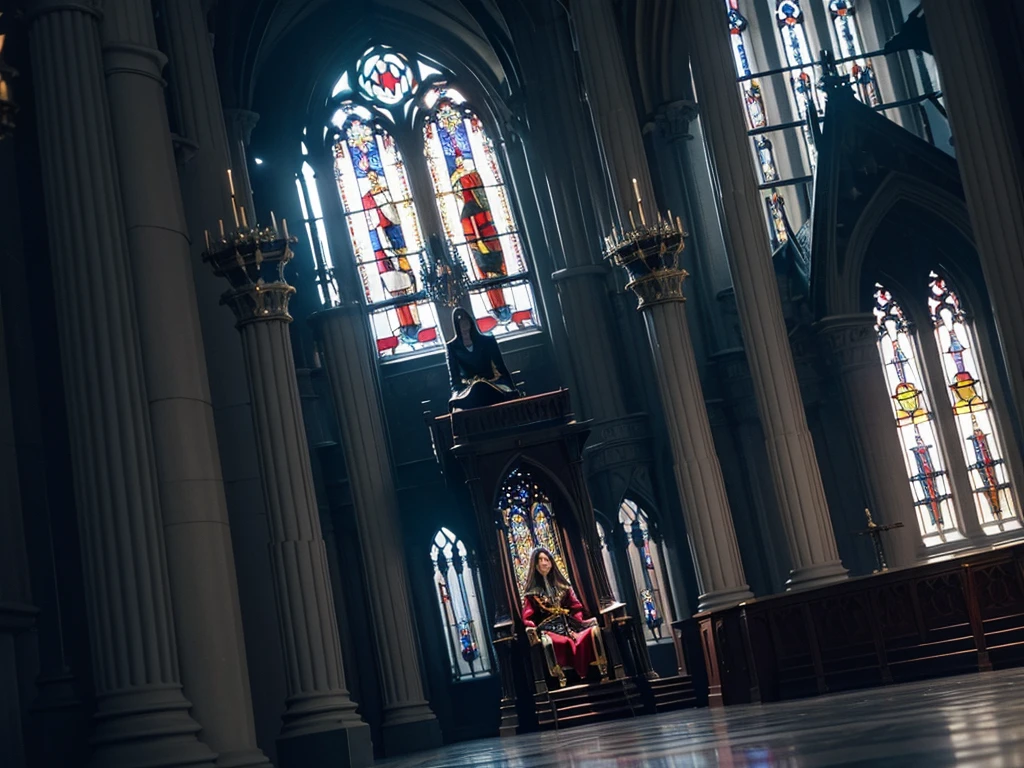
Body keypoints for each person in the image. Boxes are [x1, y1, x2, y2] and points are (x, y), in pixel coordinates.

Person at [521, 547, 606, 684]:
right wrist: (534, 629)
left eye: (546, 560)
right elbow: (527, 617)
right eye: (540, 560)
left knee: (591, 633)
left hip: (570, 627)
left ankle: (600, 671)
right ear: (535, 565)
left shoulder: (564, 587)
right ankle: (561, 678)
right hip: (549, 631)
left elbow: (576, 607)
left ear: (551, 563)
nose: (544, 563)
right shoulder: (532, 594)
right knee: (560, 642)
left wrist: (577, 622)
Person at [445, 307, 519, 411]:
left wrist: (511, 386)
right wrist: (456, 396)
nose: (464, 324)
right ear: (456, 325)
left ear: (470, 321)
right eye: (460, 322)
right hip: (468, 388)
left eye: (466, 320)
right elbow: (454, 378)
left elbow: (500, 366)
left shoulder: (487, 340)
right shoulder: (452, 347)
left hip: (493, 383)